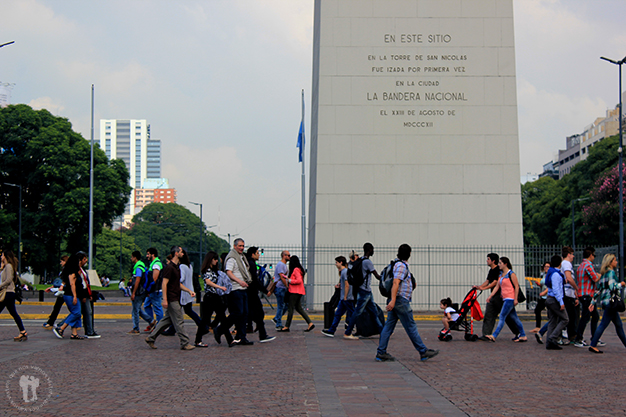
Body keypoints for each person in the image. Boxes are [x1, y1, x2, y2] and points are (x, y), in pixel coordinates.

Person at [376, 244, 438, 362]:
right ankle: (423, 351)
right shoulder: (401, 266)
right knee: (410, 326)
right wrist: (393, 300)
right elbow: (396, 283)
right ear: (409, 254)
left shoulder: (397, 264)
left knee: (388, 326)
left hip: (397, 300)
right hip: (400, 300)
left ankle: (381, 352)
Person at [145, 246, 196, 350]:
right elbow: (164, 283)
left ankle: (151, 337)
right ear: (176, 253)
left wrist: (188, 290)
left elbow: (177, 284)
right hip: (172, 298)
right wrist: (165, 299)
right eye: (181, 252)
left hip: (174, 297)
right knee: (179, 320)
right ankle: (185, 342)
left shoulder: (176, 267)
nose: (183, 254)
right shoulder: (170, 267)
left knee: (167, 321)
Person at [473, 253, 519, 341]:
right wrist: (479, 287)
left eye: (488, 259)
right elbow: (488, 281)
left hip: (501, 297)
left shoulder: (499, 270)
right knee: (489, 314)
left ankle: (518, 332)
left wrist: (484, 288)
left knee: (507, 316)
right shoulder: (491, 270)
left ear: (493, 261)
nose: (487, 261)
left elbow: (495, 283)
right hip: (494, 297)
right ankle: (486, 334)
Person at [218, 238, 254, 347]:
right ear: (234, 246)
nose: (242, 248)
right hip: (235, 289)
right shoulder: (232, 258)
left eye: (243, 246)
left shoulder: (241, 258)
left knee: (244, 314)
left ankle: (241, 337)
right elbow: (228, 272)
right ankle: (220, 329)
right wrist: (239, 281)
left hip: (243, 289)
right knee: (237, 313)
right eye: (239, 246)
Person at [344, 242, 383, 340]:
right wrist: (386, 278)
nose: (373, 251)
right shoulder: (367, 262)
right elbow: (376, 275)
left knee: (374, 312)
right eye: (372, 249)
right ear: (369, 250)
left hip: (366, 291)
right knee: (357, 312)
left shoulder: (361, 260)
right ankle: (348, 332)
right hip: (364, 291)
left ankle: (382, 331)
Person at [588, 254, 626, 354]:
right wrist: (621, 284)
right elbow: (612, 287)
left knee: (618, 325)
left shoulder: (604, 274)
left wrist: (593, 302)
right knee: (604, 324)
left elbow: (599, 289)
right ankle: (593, 344)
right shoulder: (611, 273)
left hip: (606, 302)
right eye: (615, 260)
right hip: (611, 302)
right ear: (610, 262)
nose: (616, 262)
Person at [485, 257, 526, 342]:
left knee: (502, 316)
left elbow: (516, 286)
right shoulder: (501, 275)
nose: (499, 265)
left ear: (505, 264)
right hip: (505, 299)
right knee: (515, 318)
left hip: (510, 299)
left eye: (500, 263)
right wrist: (490, 296)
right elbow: (497, 287)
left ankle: (494, 335)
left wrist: (515, 299)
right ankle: (523, 335)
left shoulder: (511, 274)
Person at [200, 251, 233, 345]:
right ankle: (198, 339)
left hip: (215, 297)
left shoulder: (214, 270)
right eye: (215, 259)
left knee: (222, 317)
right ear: (210, 260)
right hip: (210, 297)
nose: (216, 261)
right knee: (206, 319)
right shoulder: (208, 270)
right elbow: (208, 282)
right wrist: (220, 287)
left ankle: (230, 340)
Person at [179, 248, 210, 347]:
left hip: (183, 292)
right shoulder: (189, 266)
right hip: (189, 291)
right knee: (188, 311)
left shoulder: (182, 267)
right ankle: (203, 326)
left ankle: (202, 326)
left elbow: (181, 278)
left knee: (177, 312)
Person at [53, 253, 87, 340]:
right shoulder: (72, 271)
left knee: (76, 313)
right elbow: (72, 284)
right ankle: (61, 328)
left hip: (71, 294)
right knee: (76, 313)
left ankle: (74, 333)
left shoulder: (71, 270)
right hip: (70, 295)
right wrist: (75, 296)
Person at [245, 246, 276, 343]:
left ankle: (259, 331)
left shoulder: (249, 263)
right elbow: (255, 280)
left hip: (249, 291)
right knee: (258, 313)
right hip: (252, 292)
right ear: (253, 254)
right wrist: (266, 291)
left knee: (250, 313)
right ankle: (262, 334)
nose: (259, 255)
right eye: (257, 253)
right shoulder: (252, 264)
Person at [278, 255, 314, 332]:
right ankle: (310, 323)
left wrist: (290, 281)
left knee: (290, 309)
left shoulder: (296, 270)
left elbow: (299, 280)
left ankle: (287, 326)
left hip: (294, 292)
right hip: (298, 291)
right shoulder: (299, 269)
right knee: (299, 308)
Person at [574, 247, 601, 348]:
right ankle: (579, 338)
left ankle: (594, 337)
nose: (594, 257)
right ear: (590, 255)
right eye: (594, 255)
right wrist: (600, 274)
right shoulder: (588, 265)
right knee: (586, 317)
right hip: (587, 295)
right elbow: (595, 278)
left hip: (582, 294)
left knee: (593, 316)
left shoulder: (581, 265)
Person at [322, 256, 355, 337]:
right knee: (338, 314)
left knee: (353, 314)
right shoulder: (345, 271)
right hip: (344, 298)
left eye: (336, 262)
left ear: (341, 262)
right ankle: (332, 330)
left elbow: (347, 285)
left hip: (346, 298)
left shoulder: (344, 272)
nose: (335, 264)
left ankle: (348, 331)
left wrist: (345, 296)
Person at [543, 255, 569, 350]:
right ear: (560, 263)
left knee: (552, 321)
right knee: (565, 319)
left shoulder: (551, 273)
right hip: (554, 300)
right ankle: (552, 338)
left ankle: (550, 342)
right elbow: (556, 289)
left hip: (550, 299)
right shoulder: (556, 275)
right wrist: (561, 302)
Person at [0, 250, 27, 341]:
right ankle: (22, 331)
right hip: (9, 293)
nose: (1, 257)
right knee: (14, 313)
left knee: (14, 313)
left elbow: (8, 280)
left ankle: (23, 331)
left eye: (2, 255)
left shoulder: (8, 266)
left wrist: (0, 286)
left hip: (7, 293)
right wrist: (1, 267)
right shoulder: (6, 266)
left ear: (6, 257)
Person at [129, 251, 153, 335]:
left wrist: (133, 293)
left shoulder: (138, 267)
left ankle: (136, 328)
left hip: (139, 292)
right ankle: (151, 321)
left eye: (132, 257)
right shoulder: (142, 265)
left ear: (135, 257)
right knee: (138, 309)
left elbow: (138, 280)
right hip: (142, 291)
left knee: (135, 310)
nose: (131, 258)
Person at [43, 255, 69, 330]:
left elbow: (63, 281)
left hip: (64, 291)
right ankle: (51, 322)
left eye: (62, 261)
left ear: (65, 261)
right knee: (58, 307)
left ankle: (51, 322)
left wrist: (53, 287)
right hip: (63, 291)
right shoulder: (65, 269)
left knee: (58, 307)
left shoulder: (66, 270)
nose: (60, 263)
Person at [560, 246, 580, 345]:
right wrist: (576, 288)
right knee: (571, 317)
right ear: (568, 254)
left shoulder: (564, 263)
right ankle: (572, 336)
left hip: (568, 293)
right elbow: (569, 277)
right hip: (568, 294)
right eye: (572, 254)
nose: (573, 256)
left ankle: (570, 335)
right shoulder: (567, 263)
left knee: (569, 316)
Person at [143, 247, 163, 332]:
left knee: (157, 308)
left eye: (148, 254)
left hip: (155, 290)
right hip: (152, 290)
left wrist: (148, 289)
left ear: (152, 254)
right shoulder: (153, 263)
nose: (147, 256)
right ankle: (152, 323)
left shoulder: (156, 264)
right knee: (146, 305)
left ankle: (159, 326)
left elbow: (154, 279)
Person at [271, 250, 290, 329]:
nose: (289, 257)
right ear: (283, 256)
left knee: (285, 305)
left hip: (282, 288)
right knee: (281, 306)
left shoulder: (284, 265)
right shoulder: (281, 265)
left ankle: (277, 318)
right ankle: (278, 323)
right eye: (288, 255)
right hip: (280, 287)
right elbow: (282, 277)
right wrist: (286, 286)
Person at [530, 262, 550, 334]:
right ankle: (538, 327)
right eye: (545, 266)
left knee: (550, 313)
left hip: (548, 296)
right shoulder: (544, 275)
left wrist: (544, 292)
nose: (546, 268)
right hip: (543, 296)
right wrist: (539, 285)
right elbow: (543, 286)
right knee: (537, 310)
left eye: (548, 267)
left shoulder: (550, 275)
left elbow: (550, 286)